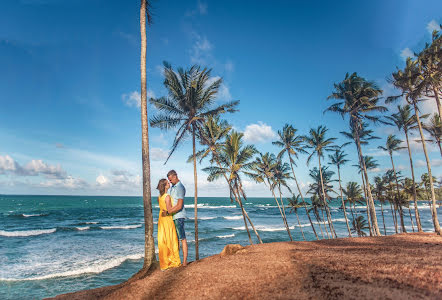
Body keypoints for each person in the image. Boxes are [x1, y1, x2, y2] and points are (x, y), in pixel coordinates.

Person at [156, 178, 181, 270]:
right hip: (167, 219)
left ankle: (164, 263)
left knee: (163, 240)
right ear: (165, 186)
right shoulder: (167, 197)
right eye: (167, 183)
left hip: (161, 219)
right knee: (171, 238)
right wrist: (177, 207)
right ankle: (173, 261)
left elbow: (162, 208)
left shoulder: (159, 197)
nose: (169, 184)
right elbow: (169, 210)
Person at [166, 170, 188, 266]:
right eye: (169, 180)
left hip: (178, 216)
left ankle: (184, 262)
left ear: (175, 176)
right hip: (172, 217)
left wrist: (169, 211)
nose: (170, 182)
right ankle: (176, 261)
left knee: (182, 238)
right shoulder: (172, 188)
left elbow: (179, 206)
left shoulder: (180, 187)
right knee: (174, 239)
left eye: (171, 180)